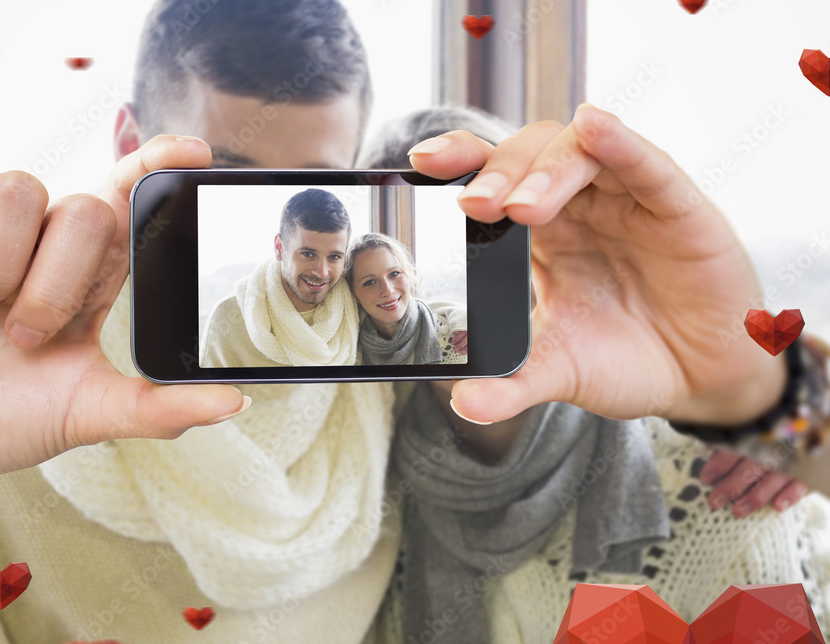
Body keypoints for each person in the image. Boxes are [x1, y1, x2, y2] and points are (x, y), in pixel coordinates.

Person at [0, 0, 826, 643]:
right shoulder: (0, 409)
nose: (305, 264)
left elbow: (784, 445)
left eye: (312, 191)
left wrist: (768, 399)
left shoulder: (395, 368)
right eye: (226, 181)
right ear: (129, 135)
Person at [354, 105, 830, 643]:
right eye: (373, 283)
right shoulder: (361, 488)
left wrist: (780, 414)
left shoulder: (716, 478)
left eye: (494, 243)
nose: (458, 306)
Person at [200, 188, 359, 368]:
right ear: (279, 248)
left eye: (334, 257)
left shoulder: (356, 312)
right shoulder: (228, 318)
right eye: (308, 254)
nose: (321, 272)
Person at [343, 232, 468, 365]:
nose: (388, 290)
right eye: (369, 282)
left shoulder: (457, 338)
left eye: (394, 273)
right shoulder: (349, 351)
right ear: (353, 293)